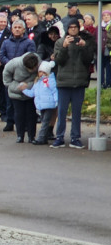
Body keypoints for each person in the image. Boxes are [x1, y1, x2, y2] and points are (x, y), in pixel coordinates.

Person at [51, 19, 96, 149]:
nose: (73, 29)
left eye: (75, 27)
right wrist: (64, 47)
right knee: (62, 111)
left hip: (79, 82)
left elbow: (89, 60)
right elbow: (59, 61)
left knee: (77, 112)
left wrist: (83, 47)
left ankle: (75, 137)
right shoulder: (60, 42)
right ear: (67, 29)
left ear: (78, 28)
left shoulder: (85, 42)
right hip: (64, 82)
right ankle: (59, 137)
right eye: (70, 27)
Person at [3, 52, 39, 144]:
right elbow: (6, 76)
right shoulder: (13, 64)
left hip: (31, 91)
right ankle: (20, 135)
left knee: (31, 114)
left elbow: (40, 77)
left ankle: (32, 136)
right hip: (16, 91)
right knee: (19, 114)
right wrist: (15, 87)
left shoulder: (39, 62)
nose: (33, 70)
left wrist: (29, 86)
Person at [23, 60, 58, 145]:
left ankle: (40, 138)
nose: (41, 74)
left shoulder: (50, 80)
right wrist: (24, 89)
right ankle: (44, 138)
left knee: (45, 122)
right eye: (40, 72)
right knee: (44, 121)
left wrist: (56, 101)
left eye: (44, 72)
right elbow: (32, 93)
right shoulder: (37, 82)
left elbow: (55, 91)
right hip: (41, 105)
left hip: (49, 104)